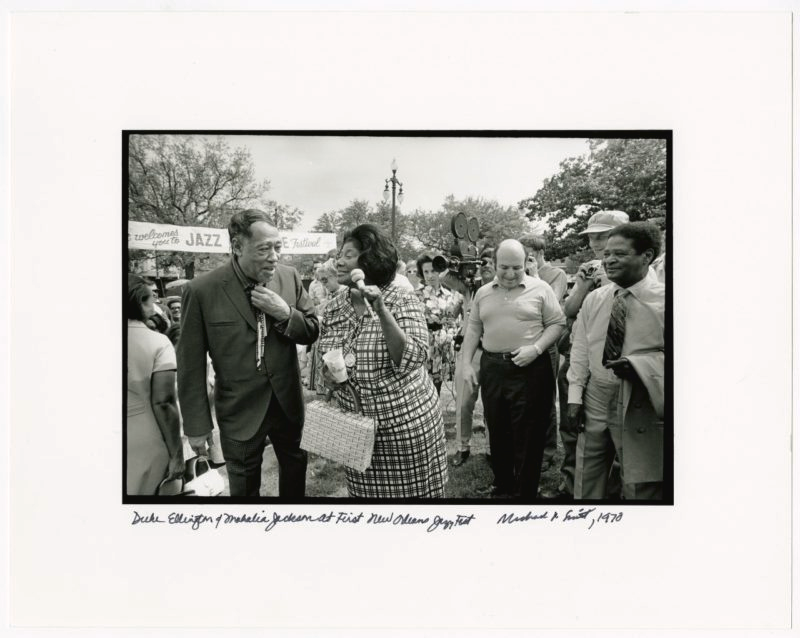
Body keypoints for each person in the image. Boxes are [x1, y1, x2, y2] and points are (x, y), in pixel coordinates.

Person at [177, 209, 319, 498]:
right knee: (243, 490)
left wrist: (285, 313)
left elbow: (313, 329)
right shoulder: (202, 290)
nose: (274, 256)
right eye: (264, 249)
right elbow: (190, 364)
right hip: (239, 412)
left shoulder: (289, 277)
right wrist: (197, 425)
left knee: (295, 477)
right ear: (238, 247)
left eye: (278, 247)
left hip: (288, 405)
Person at [318, 223, 448, 498]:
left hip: (405, 430)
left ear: (369, 261)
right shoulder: (334, 305)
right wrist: (329, 377)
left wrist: (381, 309)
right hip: (358, 432)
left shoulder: (402, 299)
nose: (339, 261)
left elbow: (413, 357)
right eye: (340, 254)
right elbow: (327, 354)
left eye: (349, 255)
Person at [460, 239, 566, 499]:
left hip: (531, 368)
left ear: (526, 263)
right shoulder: (483, 292)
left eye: (516, 268)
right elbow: (473, 328)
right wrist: (465, 364)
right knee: (497, 428)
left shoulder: (541, 289)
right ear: (494, 264)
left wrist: (537, 348)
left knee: (529, 433)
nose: (509, 274)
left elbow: (557, 323)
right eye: (503, 267)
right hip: (493, 367)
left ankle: (527, 491)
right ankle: (503, 485)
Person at [567, 222, 665, 500]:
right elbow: (581, 349)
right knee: (587, 472)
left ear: (646, 256)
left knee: (639, 481)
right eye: (607, 254)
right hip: (596, 394)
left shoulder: (667, 302)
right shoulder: (595, 299)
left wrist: (640, 366)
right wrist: (575, 397)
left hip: (640, 399)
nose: (608, 260)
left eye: (619, 254)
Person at [557, 209, 629, 497]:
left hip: (622, 368)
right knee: (577, 427)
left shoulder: (642, 274)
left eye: (603, 235)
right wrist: (586, 284)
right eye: (592, 238)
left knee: (623, 441)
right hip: (581, 356)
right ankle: (572, 483)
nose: (596, 243)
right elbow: (569, 310)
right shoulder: (589, 268)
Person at [127, 274, 184, 495]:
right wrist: (177, 454)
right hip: (148, 437)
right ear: (140, 301)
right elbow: (163, 401)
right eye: (152, 298)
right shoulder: (158, 342)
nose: (155, 304)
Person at [443, 246, 495, 467]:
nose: (484, 266)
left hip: (494, 352)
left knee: (493, 405)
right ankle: (463, 447)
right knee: (464, 403)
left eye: (489, 262)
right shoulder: (469, 287)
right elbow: (446, 280)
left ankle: (494, 449)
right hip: (470, 352)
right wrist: (456, 264)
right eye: (481, 262)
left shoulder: (501, 288)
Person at [520, 234, 568, 474]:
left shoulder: (556, 274)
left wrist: (535, 278)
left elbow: (553, 308)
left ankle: (547, 451)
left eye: (527, 255)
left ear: (538, 254)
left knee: (545, 399)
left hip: (546, 345)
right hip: (523, 344)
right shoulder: (518, 274)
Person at [416, 252, 463, 395]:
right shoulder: (415, 295)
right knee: (423, 384)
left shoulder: (451, 295)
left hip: (444, 343)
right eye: (426, 272)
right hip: (425, 341)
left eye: (433, 271)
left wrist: (452, 335)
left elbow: (454, 320)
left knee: (438, 384)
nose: (430, 275)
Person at [308, 263, 344, 393]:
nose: (323, 284)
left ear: (335, 276)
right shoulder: (333, 294)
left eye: (325, 280)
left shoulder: (343, 293)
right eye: (321, 281)